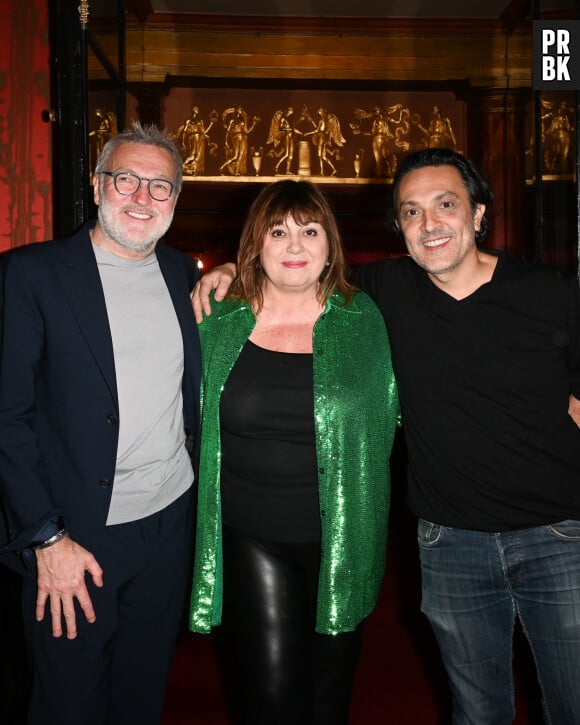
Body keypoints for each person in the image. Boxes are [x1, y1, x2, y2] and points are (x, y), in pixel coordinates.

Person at [192, 148, 580, 725]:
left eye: (445, 205)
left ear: (478, 214)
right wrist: (224, 271)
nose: (430, 224)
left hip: (554, 534)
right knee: (476, 711)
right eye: (412, 212)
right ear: (398, 228)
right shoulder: (366, 299)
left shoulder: (544, 294)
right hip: (448, 542)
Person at [0, 121, 201, 725]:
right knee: (70, 701)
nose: (142, 197)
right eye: (126, 179)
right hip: (76, 534)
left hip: (169, 524)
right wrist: (44, 536)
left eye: (160, 186)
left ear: (176, 200)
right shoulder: (29, 276)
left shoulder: (184, 276)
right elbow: (6, 419)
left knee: (142, 694)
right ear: (96, 185)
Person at [188, 179, 399, 725]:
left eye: (310, 230)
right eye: (278, 231)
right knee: (273, 701)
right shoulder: (218, 320)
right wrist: (225, 272)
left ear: (330, 242)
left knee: (329, 700)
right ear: (256, 243)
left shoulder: (365, 320)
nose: (296, 246)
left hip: (345, 540)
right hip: (251, 536)